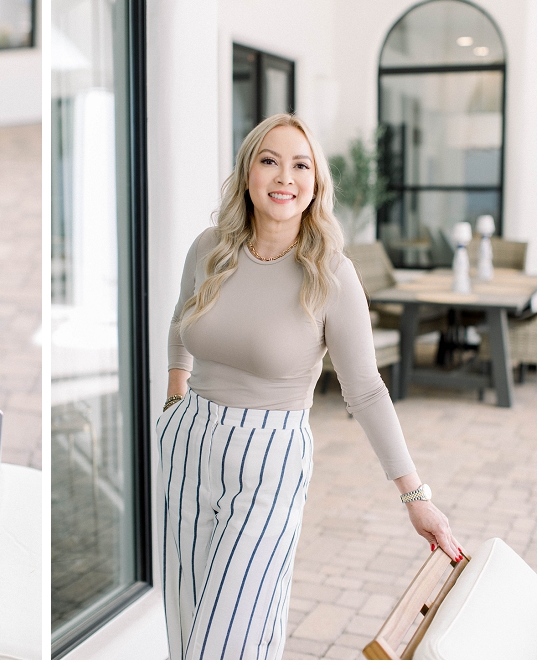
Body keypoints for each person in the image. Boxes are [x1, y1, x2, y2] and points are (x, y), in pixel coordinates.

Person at [158, 113, 461, 660]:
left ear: (316, 182)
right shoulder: (209, 248)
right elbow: (181, 320)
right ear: (247, 173)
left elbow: (365, 390)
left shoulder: (331, 274)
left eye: (301, 165)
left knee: (226, 644)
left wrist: (415, 497)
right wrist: (175, 400)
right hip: (188, 445)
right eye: (269, 160)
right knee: (185, 634)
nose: (284, 177)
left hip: (268, 459)